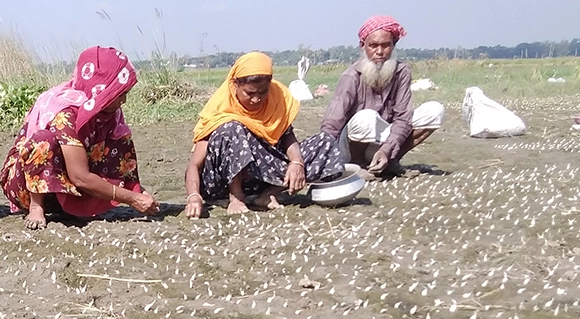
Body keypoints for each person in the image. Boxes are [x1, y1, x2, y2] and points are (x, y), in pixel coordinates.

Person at [0, 46, 158, 229]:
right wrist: (131, 199)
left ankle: (73, 204)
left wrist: (138, 192)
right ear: (102, 89)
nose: (123, 100)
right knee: (44, 141)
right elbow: (80, 177)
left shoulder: (109, 113)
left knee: (120, 138)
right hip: (26, 185)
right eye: (119, 94)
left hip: (67, 187)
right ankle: (37, 205)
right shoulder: (65, 113)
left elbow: (115, 158)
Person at [184, 52, 343, 217]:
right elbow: (194, 166)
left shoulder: (277, 99)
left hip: (262, 177)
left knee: (326, 141)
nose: (256, 99)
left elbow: (287, 137)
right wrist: (194, 197)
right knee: (232, 128)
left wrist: (297, 162)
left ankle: (268, 194)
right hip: (221, 184)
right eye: (250, 93)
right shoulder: (220, 108)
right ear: (235, 85)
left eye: (262, 92)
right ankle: (236, 197)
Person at [320, 15, 445, 179]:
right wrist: (322, 157)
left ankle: (390, 161)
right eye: (373, 46)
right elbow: (332, 121)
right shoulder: (351, 76)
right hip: (351, 144)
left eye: (385, 45)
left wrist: (387, 149)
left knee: (434, 110)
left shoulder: (402, 72)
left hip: (386, 139)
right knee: (367, 117)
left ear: (394, 45)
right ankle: (357, 165)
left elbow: (403, 118)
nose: (379, 52)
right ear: (362, 46)